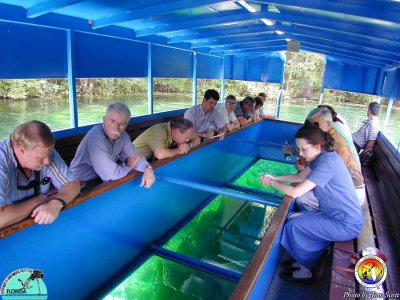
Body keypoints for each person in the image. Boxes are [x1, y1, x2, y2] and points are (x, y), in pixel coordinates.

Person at [260, 124, 363, 283]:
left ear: (317, 146)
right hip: (333, 214)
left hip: (346, 223)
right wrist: (274, 177)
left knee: (294, 227)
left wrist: (271, 184)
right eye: (299, 149)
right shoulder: (323, 156)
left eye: (303, 149)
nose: (300, 154)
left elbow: (295, 192)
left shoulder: (327, 163)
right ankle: (305, 260)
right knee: (293, 217)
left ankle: (306, 271)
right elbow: (300, 177)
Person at [0, 120, 81, 229]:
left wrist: (57, 202)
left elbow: (73, 184)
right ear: (21, 150)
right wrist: (39, 200)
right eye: (40, 158)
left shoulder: (44, 152)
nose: (47, 162)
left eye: (48, 156)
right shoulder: (2, 163)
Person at [70, 103, 155, 188]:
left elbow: (134, 157)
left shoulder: (123, 136)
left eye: (121, 124)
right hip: (78, 184)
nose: (116, 128)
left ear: (126, 125)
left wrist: (147, 168)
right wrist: (128, 167)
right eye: (113, 121)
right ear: (104, 120)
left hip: (98, 181)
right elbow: (112, 175)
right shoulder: (95, 138)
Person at [307, 107, 365, 205]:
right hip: (350, 187)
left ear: (328, 124)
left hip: (351, 194)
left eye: (316, 125)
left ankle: (321, 217)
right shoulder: (331, 133)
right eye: (309, 124)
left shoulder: (331, 142)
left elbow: (317, 169)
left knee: (303, 198)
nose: (312, 128)